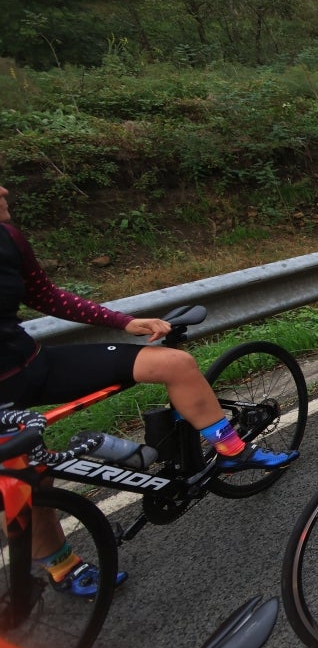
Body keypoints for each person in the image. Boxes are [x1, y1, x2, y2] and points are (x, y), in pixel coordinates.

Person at [0, 183, 296, 598]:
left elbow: (45, 295)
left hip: (33, 364)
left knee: (175, 364)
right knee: (28, 484)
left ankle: (231, 450)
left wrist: (123, 322)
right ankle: (63, 567)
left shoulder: (9, 237)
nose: (4, 189)